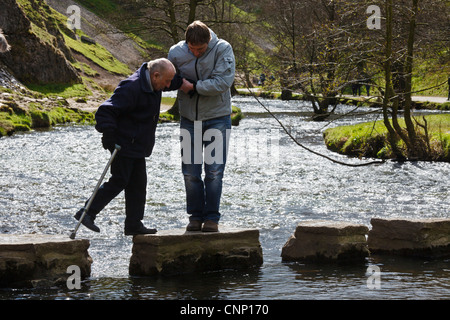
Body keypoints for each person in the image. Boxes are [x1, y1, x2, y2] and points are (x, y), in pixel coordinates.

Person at [74, 58, 190, 235]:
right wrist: (109, 135)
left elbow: (171, 80)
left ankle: (133, 224)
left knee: (138, 185)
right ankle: (87, 212)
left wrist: (182, 83)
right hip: (123, 143)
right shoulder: (132, 87)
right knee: (119, 180)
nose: (167, 86)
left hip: (137, 145)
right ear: (156, 75)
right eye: (166, 81)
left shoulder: (154, 81)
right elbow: (106, 111)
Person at [168, 21, 235, 232]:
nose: (196, 53)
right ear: (186, 43)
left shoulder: (223, 48)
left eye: (201, 49)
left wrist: (194, 87)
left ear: (209, 41)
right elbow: (167, 77)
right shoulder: (175, 52)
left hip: (217, 117)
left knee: (214, 171)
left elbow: (223, 82)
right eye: (192, 49)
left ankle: (212, 218)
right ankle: (195, 217)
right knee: (190, 172)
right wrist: (176, 82)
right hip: (188, 119)